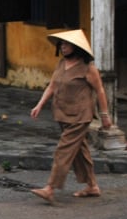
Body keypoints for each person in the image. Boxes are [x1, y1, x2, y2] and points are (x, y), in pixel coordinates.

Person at [28, 30, 112, 203]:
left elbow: (100, 91)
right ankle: (92, 186)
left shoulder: (88, 68)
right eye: (61, 44)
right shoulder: (61, 64)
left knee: (63, 150)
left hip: (80, 116)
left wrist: (105, 115)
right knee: (80, 152)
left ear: (77, 47)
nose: (63, 47)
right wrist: (39, 105)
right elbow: (52, 86)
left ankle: (50, 188)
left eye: (66, 44)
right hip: (62, 113)